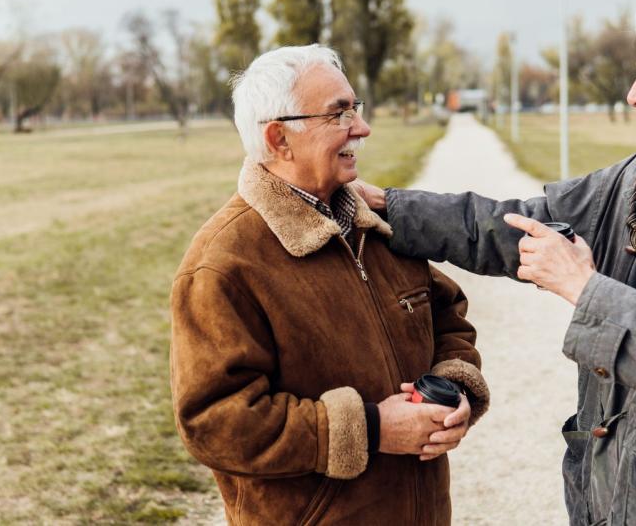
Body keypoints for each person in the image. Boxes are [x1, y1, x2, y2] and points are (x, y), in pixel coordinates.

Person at [354, 0, 636, 525]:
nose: (633, 94)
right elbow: (509, 224)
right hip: (610, 495)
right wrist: (391, 208)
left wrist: (586, 291)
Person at [169, 45, 489, 525]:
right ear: (279, 139)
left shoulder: (377, 227)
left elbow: (450, 320)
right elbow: (215, 422)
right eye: (339, 114)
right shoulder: (223, 263)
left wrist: (453, 388)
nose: (361, 128)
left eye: (355, 108)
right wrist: (373, 428)